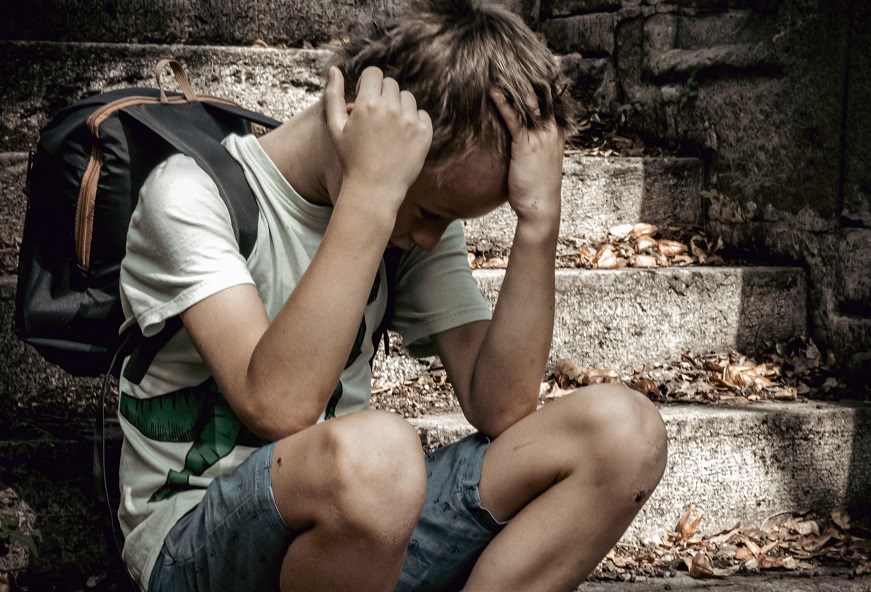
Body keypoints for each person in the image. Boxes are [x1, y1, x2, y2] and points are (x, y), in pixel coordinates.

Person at [116, 0, 668, 590]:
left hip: (362, 539)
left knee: (623, 432)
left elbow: (502, 411)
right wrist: (372, 192)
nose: (431, 237)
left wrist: (537, 224)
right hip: (197, 544)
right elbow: (278, 405)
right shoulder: (190, 195)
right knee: (380, 457)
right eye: (429, 211)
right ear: (361, 125)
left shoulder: (410, 226)